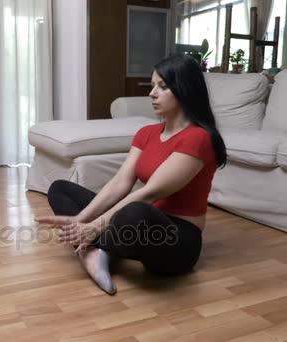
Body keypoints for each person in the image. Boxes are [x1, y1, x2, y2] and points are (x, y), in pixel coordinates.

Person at [35, 54, 227, 295]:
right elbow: (120, 182)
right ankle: (96, 250)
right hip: (137, 224)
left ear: (185, 89)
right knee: (60, 188)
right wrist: (81, 219)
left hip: (176, 241)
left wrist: (95, 226)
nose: (152, 93)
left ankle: (94, 248)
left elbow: (150, 193)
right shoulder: (147, 133)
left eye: (163, 86)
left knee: (135, 210)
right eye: (152, 85)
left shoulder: (199, 138)